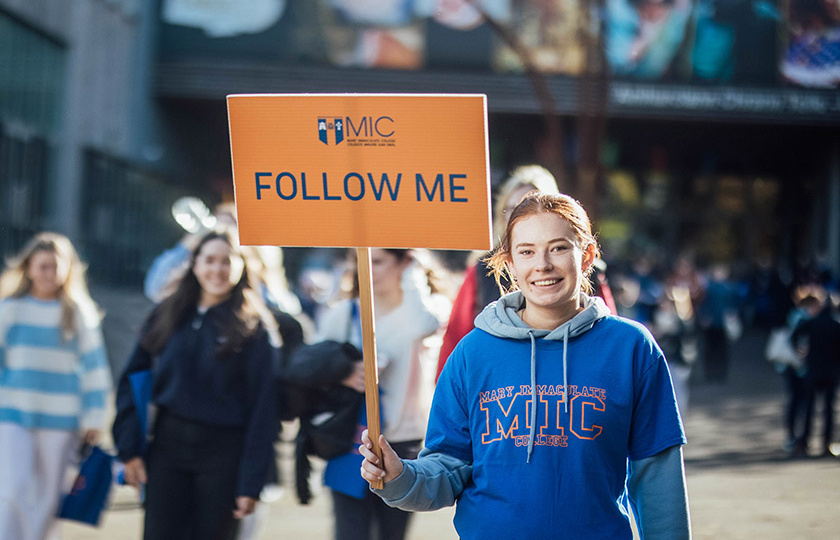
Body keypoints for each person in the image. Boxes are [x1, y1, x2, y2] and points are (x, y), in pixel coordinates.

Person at [359, 192, 691, 539]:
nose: (542, 264)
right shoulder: (473, 353)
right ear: (510, 262)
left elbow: (657, 475)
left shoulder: (631, 348)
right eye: (527, 251)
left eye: (559, 248)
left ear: (588, 255)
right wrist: (401, 476)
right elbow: (447, 467)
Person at [112, 228, 280, 540]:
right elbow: (132, 379)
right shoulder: (167, 313)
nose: (217, 270)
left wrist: (251, 482)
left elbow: (264, 410)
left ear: (243, 266)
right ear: (195, 264)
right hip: (166, 449)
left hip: (223, 456)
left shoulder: (255, 328)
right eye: (210, 260)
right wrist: (129, 449)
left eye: (226, 262)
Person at [312, 248, 444, 540]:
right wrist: (346, 373)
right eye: (361, 260)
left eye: (379, 261)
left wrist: (413, 273)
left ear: (405, 263)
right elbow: (315, 367)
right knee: (350, 533)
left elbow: (425, 325)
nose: (368, 269)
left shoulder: (423, 309)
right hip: (352, 442)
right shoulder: (343, 313)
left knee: (392, 534)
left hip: (403, 444)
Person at [0, 232, 111, 540]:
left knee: (50, 495)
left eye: (55, 266)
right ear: (29, 267)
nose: (49, 274)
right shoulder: (9, 309)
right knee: (12, 487)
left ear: (67, 269)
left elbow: (95, 369)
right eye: (42, 266)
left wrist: (94, 418)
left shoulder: (77, 311)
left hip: (62, 418)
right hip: (13, 413)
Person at [791, 292, 840, 457]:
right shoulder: (835, 325)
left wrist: (800, 351)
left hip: (813, 371)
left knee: (809, 408)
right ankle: (827, 443)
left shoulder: (811, 323)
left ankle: (803, 443)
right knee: (828, 410)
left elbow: (794, 336)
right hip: (831, 373)